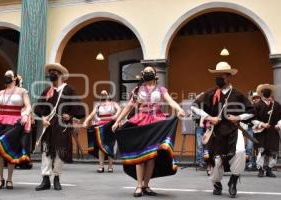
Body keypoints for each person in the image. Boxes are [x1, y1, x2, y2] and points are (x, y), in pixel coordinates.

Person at [112, 66, 185, 197]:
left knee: (151, 156)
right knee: (140, 156)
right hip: (140, 121)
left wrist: (179, 109)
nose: (147, 73)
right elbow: (128, 107)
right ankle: (139, 186)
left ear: (155, 74)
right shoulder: (137, 90)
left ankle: (146, 185)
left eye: (150, 71)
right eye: (145, 72)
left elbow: (171, 101)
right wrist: (117, 120)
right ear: (142, 74)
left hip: (156, 122)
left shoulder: (161, 89)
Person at [191, 61, 254, 198]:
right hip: (216, 132)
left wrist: (239, 117)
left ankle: (234, 180)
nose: (219, 78)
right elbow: (194, 107)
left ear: (229, 76)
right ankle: (217, 183)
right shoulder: (210, 93)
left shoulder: (237, 94)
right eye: (217, 75)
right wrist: (209, 117)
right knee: (217, 160)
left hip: (233, 130)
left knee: (240, 153)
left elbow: (252, 111)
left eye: (222, 75)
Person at [34, 63, 85, 191]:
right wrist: (44, 118)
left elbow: (79, 108)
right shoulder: (47, 91)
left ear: (60, 74)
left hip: (62, 126)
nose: (52, 73)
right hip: (49, 125)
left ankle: (56, 178)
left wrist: (70, 115)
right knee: (46, 151)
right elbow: (38, 107)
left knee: (59, 152)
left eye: (55, 71)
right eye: (50, 71)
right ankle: (45, 179)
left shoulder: (68, 90)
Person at [0, 70, 32, 189]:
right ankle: (0, 179)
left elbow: (28, 105)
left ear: (15, 78)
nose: (7, 77)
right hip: (0, 122)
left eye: (9, 75)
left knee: (10, 150)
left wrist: (25, 115)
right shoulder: (1, 93)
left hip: (15, 123)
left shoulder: (22, 91)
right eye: (5, 75)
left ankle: (9, 179)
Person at [83, 90, 121, 173]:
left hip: (111, 126)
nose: (103, 94)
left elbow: (119, 110)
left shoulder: (113, 104)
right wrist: (86, 121)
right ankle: (101, 166)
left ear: (108, 95)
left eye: (105, 93)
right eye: (102, 93)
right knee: (101, 146)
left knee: (110, 145)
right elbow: (91, 115)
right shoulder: (98, 105)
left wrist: (115, 116)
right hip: (100, 126)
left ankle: (110, 166)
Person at [252, 84, 281, 178]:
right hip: (261, 131)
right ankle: (260, 169)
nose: (267, 91)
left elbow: (280, 117)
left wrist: (278, 125)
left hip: (273, 131)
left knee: (273, 151)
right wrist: (262, 124)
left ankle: (269, 169)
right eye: (265, 90)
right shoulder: (257, 105)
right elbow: (253, 118)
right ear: (262, 93)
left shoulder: (276, 105)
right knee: (261, 150)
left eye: (268, 90)